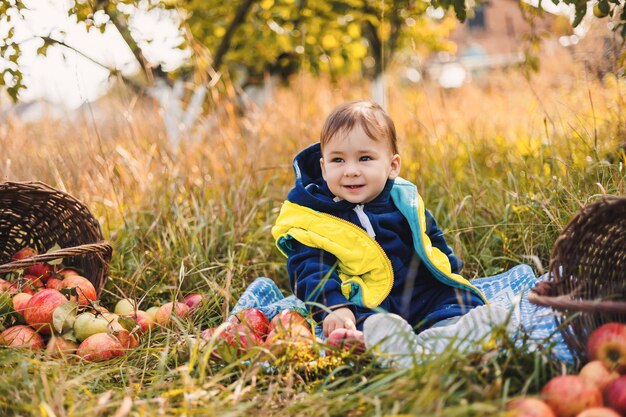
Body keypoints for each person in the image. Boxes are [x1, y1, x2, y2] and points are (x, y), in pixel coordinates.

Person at [272, 100, 508, 367]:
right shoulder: (315, 218)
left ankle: (450, 335)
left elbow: (430, 239)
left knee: (451, 302)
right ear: (324, 168)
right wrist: (334, 307)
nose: (351, 170)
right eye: (338, 160)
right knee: (363, 327)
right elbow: (311, 269)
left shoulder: (402, 200)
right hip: (366, 301)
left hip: (419, 291)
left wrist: (451, 270)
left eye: (365, 158)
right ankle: (395, 346)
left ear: (393, 166)